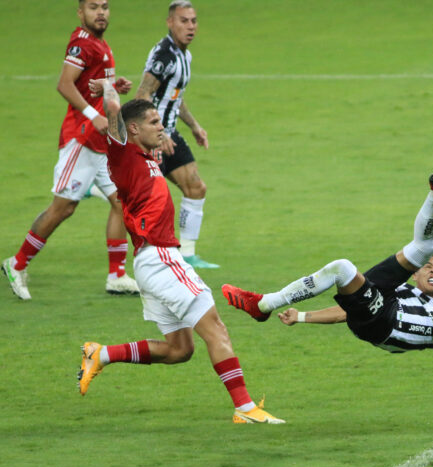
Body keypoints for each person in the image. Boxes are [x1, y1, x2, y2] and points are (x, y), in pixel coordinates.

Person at [222, 172, 433, 438]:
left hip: (381, 322)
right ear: (415, 274)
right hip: (382, 303)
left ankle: (262, 305)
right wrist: (302, 317)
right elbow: (346, 312)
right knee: (423, 247)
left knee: (343, 268)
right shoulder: (403, 289)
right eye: (428, 267)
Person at [77, 78, 284, 424]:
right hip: (160, 259)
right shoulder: (123, 152)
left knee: (180, 350)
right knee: (215, 327)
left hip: (153, 260)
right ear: (133, 129)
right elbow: (113, 109)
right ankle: (246, 409)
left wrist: (159, 138)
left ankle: (101, 354)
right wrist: (108, 85)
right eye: (155, 122)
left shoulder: (143, 155)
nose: (162, 126)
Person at [2, 0, 139, 300]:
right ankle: (17, 263)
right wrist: (95, 116)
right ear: (81, 12)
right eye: (93, 7)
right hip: (82, 139)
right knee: (63, 207)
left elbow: (90, 85)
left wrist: (114, 86)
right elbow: (65, 85)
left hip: (99, 143)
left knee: (121, 202)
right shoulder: (82, 43)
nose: (101, 12)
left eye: (104, 6)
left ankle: (116, 276)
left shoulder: (100, 44)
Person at [134, 0, 217, 269]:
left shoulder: (184, 55)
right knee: (152, 201)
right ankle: (147, 260)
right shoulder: (164, 56)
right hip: (154, 137)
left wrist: (194, 126)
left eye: (193, 21)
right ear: (170, 23)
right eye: (183, 21)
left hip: (170, 133)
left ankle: (188, 255)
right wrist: (157, 131)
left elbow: (175, 97)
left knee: (196, 187)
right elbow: (142, 94)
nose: (190, 26)